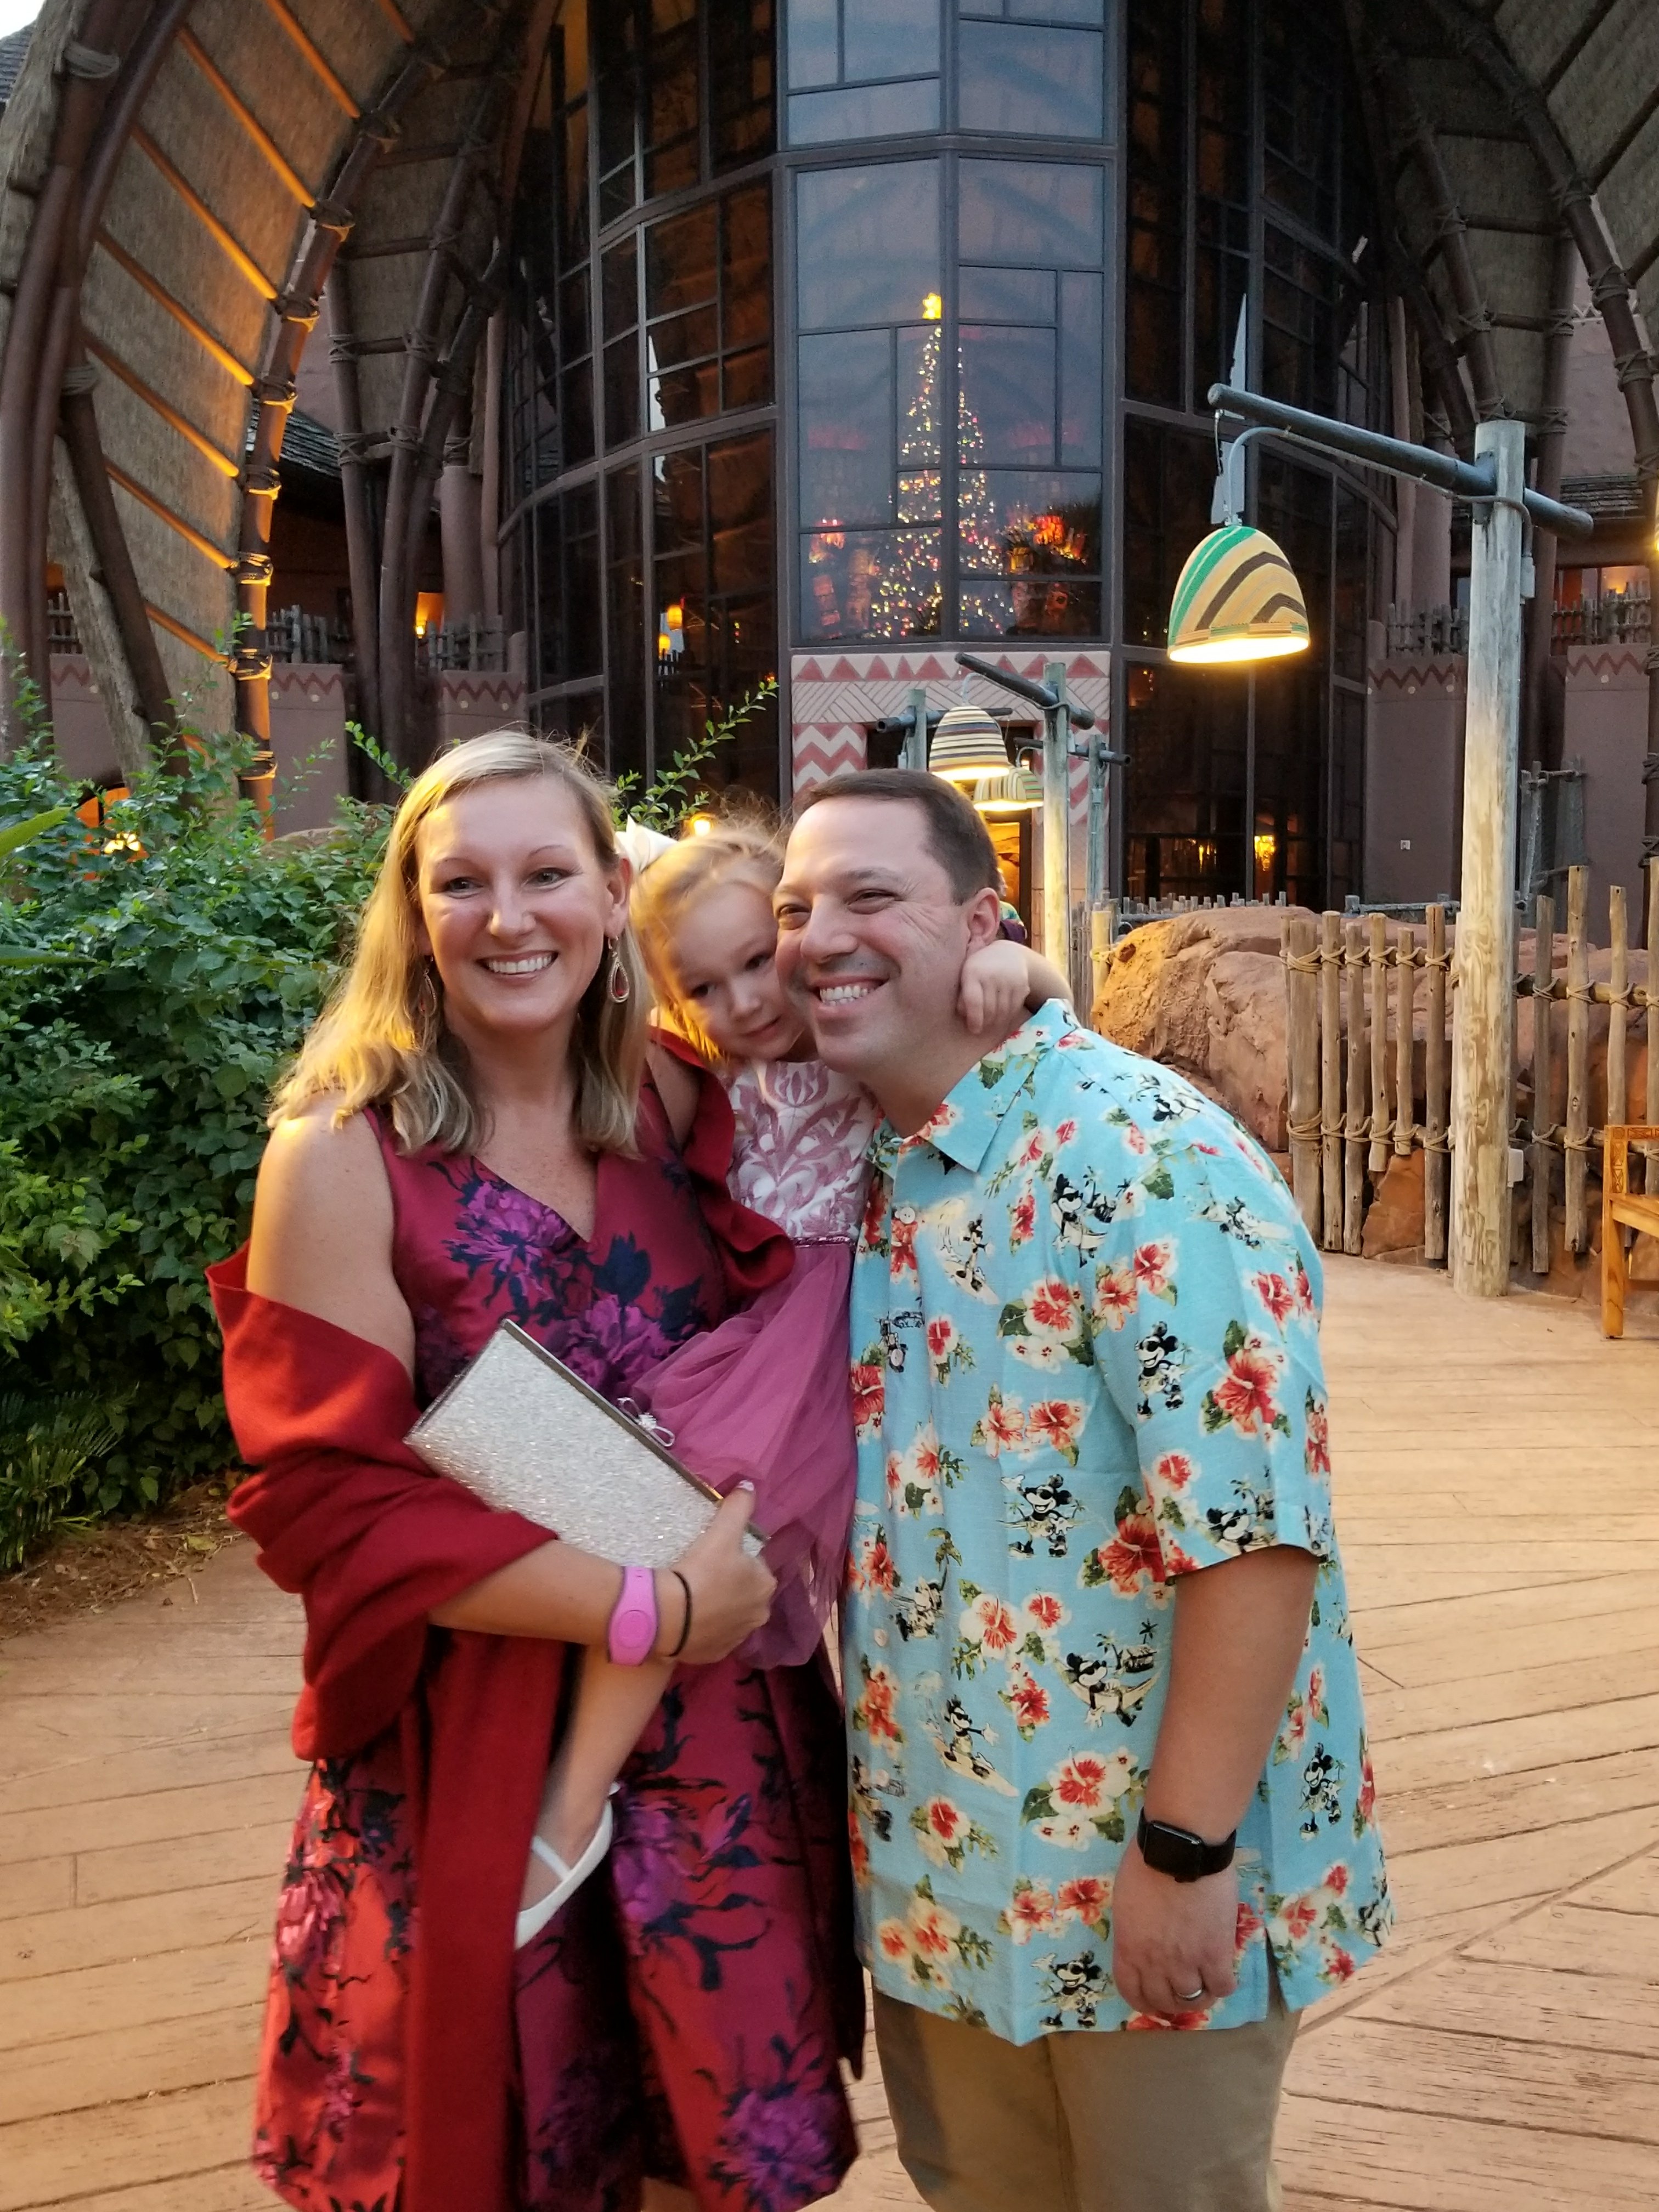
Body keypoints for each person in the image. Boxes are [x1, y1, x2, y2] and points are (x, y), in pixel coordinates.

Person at [208, 732, 863, 2212]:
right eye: (464, 883)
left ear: (614, 892)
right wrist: (645, 1608)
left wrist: (1020, 978)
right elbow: (325, 1502)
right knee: (493, 2149)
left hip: (715, 1742)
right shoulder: (342, 1153)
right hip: (482, 1730)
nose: (509, 918)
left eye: (547, 874)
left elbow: (896, 1090)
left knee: (711, 2159)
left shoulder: (681, 1099)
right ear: (413, 909)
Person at [772, 768, 1391, 2212]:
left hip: (1143, 1865)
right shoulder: (857, 1166)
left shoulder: (1141, 1153)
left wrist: (1186, 1849)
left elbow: (1255, 1537)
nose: (820, 936)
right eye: (795, 908)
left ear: (982, 923)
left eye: (871, 895)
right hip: (942, 1861)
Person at [522, 820, 1070, 1937]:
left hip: (818, 1339)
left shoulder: (853, 1051)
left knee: (698, 1529)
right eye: (704, 988)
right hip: (767, 1331)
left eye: (753, 963)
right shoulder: (716, 1075)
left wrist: (1020, 963)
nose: (743, 1003)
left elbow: (1022, 1009)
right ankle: (584, 1776)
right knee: (668, 1527)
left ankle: (572, 1802)